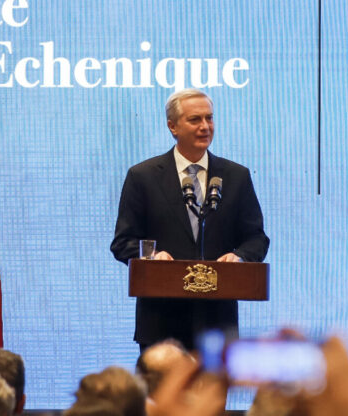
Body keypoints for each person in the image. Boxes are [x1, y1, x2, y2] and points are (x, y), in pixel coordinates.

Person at [111, 89, 269, 351]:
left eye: (209, 118)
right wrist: (152, 256)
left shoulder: (235, 176)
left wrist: (239, 257)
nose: (205, 126)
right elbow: (122, 242)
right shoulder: (143, 177)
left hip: (217, 326)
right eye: (195, 119)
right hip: (161, 325)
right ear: (172, 126)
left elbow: (256, 238)